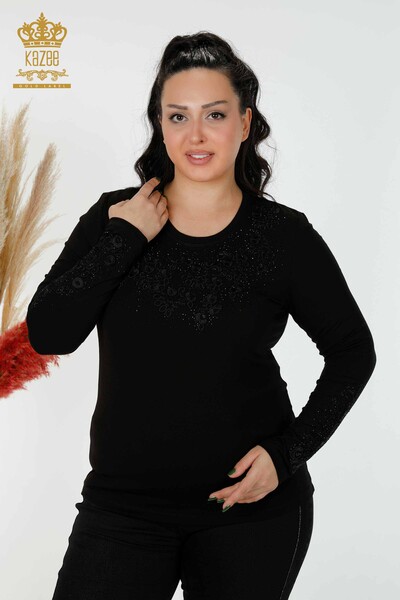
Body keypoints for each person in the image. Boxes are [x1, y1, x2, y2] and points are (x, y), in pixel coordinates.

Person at [26, 31, 377, 600]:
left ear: (245, 122)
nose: (195, 135)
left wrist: (287, 455)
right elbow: (49, 334)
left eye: (214, 114)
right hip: (122, 511)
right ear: (160, 126)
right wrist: (125, 239)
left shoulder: (283, 237)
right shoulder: (114, 218)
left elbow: (353, 351)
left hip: (251, 510)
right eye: (177, 116)